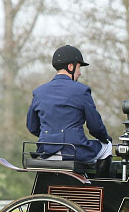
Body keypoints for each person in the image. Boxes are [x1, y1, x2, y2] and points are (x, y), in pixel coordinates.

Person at [27, 45, 112, 177]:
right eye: (79, 68)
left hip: (46, 151)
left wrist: (51, 137)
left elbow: (32, 127)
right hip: (74, 151)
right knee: (107, 147)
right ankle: (99, 187)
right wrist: (105, 138)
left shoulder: (39, 92)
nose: (80, 73)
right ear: (71, 67)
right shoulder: (81, 91)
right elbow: (95, 127)